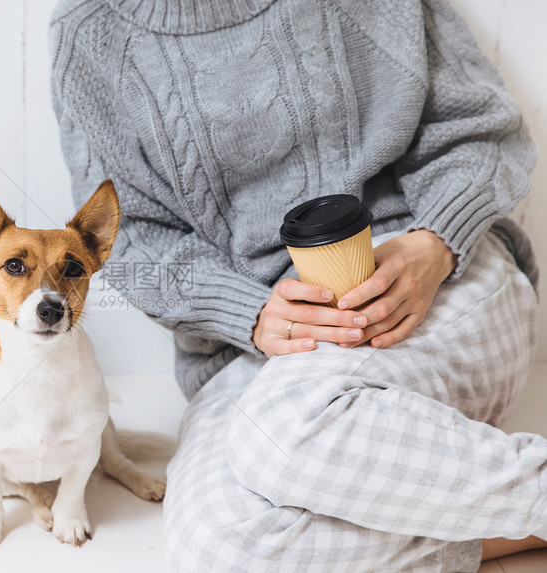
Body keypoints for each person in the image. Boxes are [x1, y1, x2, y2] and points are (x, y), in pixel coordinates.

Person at [50, 0, 546, 570]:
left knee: (285, 427)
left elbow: (480, 131)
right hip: (250, 349)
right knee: (221, 549)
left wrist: (434, 241)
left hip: (434, 285)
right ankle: (513, 518)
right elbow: (124, 238)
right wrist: (250, 312)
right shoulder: (88, 33)